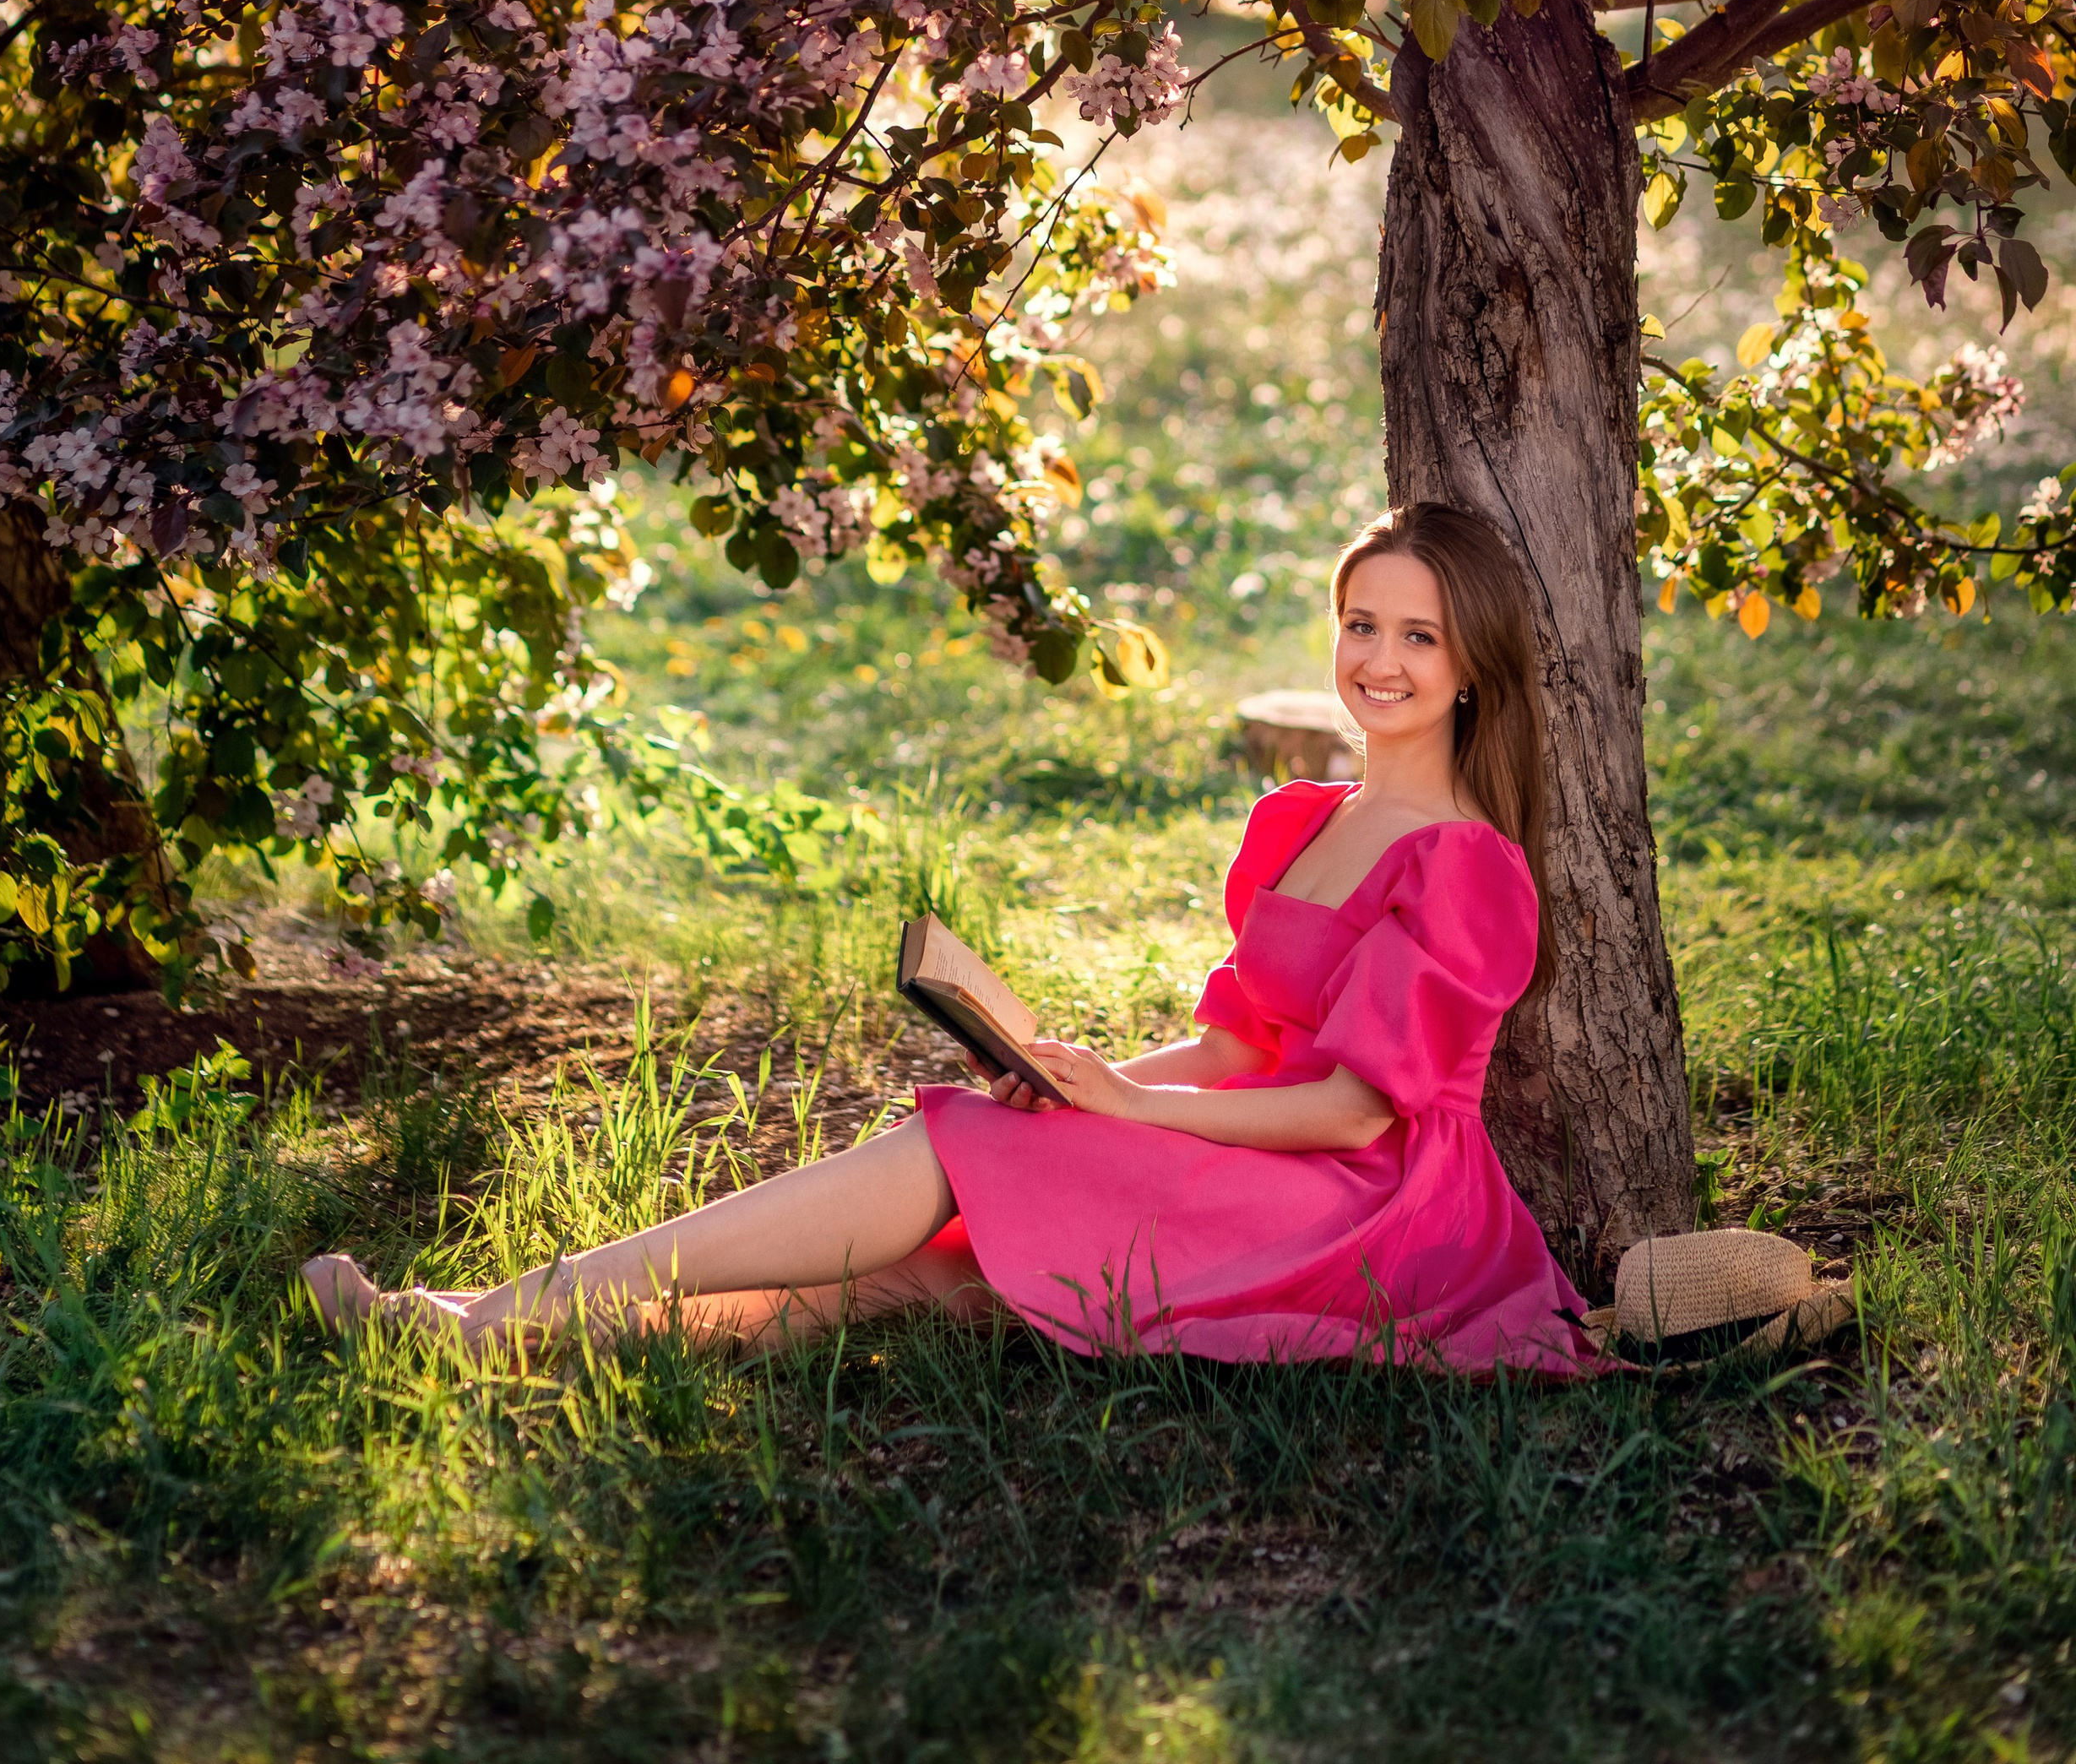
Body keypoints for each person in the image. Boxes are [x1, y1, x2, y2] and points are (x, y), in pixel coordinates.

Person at [302, 502, 1595, 1373]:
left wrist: (1124, 1120)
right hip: (1254, 1157)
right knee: (949, 1270)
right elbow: (1224, 1047)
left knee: (953, 1152)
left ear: (1472, 662)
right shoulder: (1301, 819)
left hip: (1373, 1216)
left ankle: (516, 1305)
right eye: (1361, 622)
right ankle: (508, 1338)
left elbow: (1351, 1117)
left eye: (1417, 636)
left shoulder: (1468, 864)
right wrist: (1084, 1085)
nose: (1379, 659)